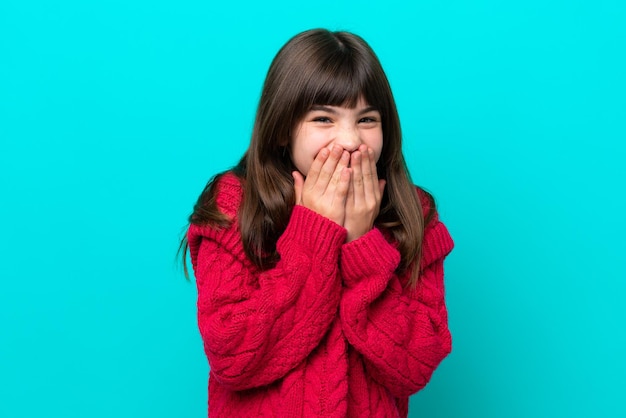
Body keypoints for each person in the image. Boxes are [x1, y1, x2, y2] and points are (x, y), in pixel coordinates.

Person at [180, 28, 454, 417]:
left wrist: (363, 249)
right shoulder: (233, 206)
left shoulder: (412, 212)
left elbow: (415, 366)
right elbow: (233, 357)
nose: (349, 140)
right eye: (324, 118)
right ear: (281, 130)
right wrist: (315, 232)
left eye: (367, 119)